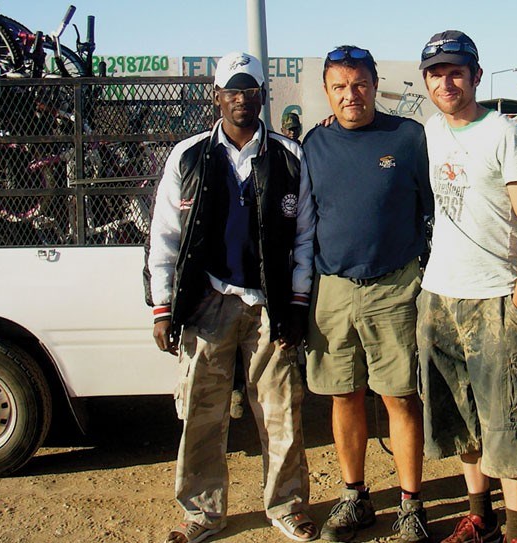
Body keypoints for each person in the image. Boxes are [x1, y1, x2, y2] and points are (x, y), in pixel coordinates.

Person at [144, 51, 318, 543]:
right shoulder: (190, 156)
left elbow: (304, 237)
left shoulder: (289, 157)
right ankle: (202, 513)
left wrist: (297, 304)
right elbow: (165, 237)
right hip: (207, 301)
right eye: (232, 90)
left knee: (281, 408)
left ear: (263, 95)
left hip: (270, 305)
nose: (241, 99)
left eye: (250, 89)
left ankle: (286, 505)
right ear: (216, 95)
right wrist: (163, 306)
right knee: (202, 411)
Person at [416, 31, 517, 543]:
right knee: (459, 419)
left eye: (455, 71)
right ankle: (481, 518)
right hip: (439, 295)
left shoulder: (506, 134)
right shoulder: (429, 131)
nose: (445, 82)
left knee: (508, 424)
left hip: (495, 297)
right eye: (436, 73)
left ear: (474, 75)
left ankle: (516, 532)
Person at [301, 45, 434, 543]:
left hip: (394, 287)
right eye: (340, 87)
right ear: (327, 92)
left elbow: (434, 208)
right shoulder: (313, 145)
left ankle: (410, 505)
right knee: (344, 395)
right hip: (332, 289)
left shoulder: (407, 138)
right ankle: (355, 497)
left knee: (399, 397)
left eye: (359, 85)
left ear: (376, 86)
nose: (350, 95)